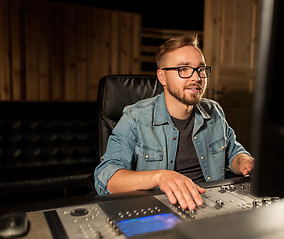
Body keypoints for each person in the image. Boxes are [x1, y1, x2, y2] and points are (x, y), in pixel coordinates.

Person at [94, 34, 254, 210]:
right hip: (162, 210)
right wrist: (159, 177)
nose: (196, 78)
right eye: (183, 69)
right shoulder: (135, 117)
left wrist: (244, 161)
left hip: (213, 205)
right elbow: (106, 177)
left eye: (200, 69)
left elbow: (233, 153)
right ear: (162, 77)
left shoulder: (214, 111)